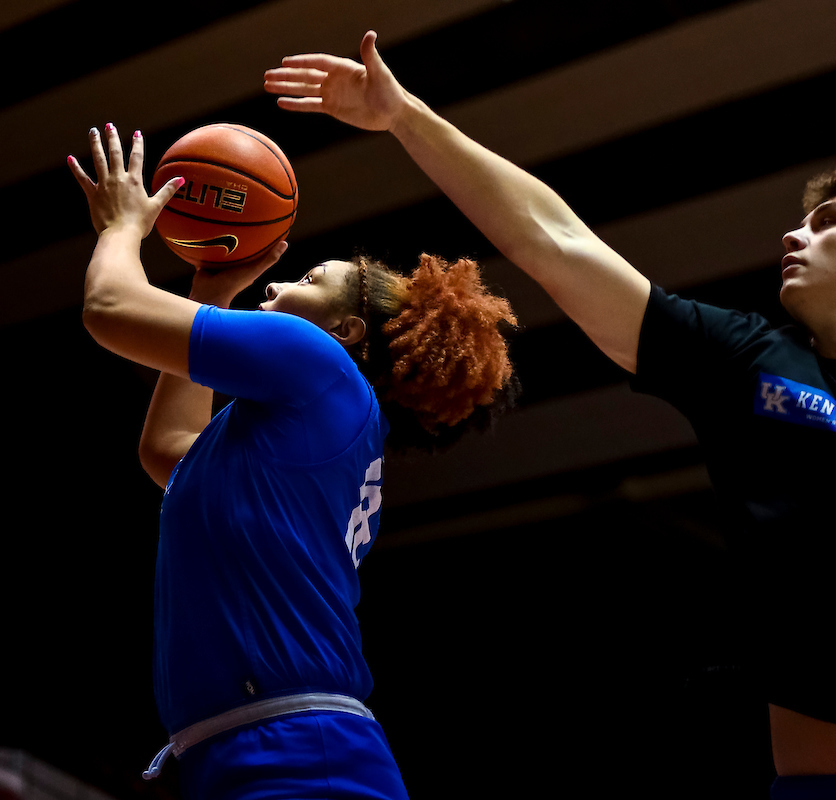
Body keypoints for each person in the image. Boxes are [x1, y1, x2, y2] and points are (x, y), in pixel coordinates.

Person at [265, 31, 836, 798]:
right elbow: (552, 239)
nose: (793, 236)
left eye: (827, 222)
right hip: (814, 789)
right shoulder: (744, 358)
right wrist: (405, 116)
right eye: (796, 224)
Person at [69, 123, 517, 799]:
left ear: (346, 333)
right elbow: (169, 454)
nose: (276, 285)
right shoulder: (309, 424)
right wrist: (209, 294)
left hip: (300, 752)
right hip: (257, 745)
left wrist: (121, 227)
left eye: (308, 279)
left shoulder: (315, 361)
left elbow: (108, 308)